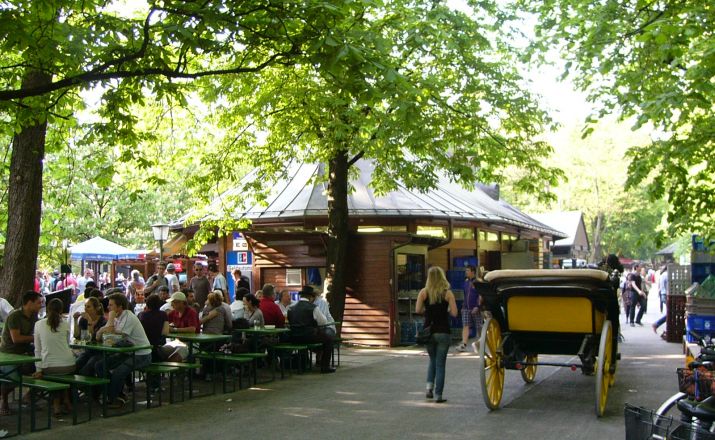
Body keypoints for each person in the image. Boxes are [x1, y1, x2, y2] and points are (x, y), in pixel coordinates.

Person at [95, 293, 152, 408]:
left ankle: (114, 398)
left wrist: (107, 322)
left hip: (141, 353)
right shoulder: (117, 318)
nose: (108, 308)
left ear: (119, 307)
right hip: (128, 352)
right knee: (100, 365)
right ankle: (116, 393)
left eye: (111, 305)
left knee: (118, 372)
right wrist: (103, 330)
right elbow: (100, 337)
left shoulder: (128, 317)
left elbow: (111, 334)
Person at [415, 267, 458, 403]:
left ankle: (429, 388)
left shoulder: (424, 292)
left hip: (429, 331)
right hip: (443, 331)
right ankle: (438, 395)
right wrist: (448, 309)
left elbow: (417, 310)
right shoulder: (448, 293)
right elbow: (455, 313)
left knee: (432, 360)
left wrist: (427, 311)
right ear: (442, 277)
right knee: (440, 364)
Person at [0, 291, 43, 415]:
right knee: (13, 379)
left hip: (26, 351)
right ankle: (4, 401)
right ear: (29, 303)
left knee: (46, 368)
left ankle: (29, 396)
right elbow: (16, 339)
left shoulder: (34, 316)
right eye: (38, 303)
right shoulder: (15, 316)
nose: (40, 305)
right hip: (9, 353)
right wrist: (35, 337)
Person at [33, 298, 76, 417]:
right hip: (69, 364)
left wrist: (38, 370)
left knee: (54, 375)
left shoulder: (38, 324)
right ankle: (66, 400)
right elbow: (67, 344)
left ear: (47, 309)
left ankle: (57, 405)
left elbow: (37, 349)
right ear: (62, 310)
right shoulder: (66, 324)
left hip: (49, 366)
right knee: (61, 375)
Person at [286, 286, 335, 374]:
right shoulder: (313, 307)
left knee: (305, 340)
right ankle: (325, 366)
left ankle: (303, 365)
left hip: (294, 337)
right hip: (309, 336)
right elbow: (323, 322)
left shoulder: (291, 308)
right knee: (329, 339)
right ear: (310, 297)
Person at [138, 294, 178, 361]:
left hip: (143, 349)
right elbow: (165, 333)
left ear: (147, 304)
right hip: (158, 350)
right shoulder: (163, 314)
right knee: (182, 348)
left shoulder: (141, 315)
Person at [74, 297, 107, 376]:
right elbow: (77, 336)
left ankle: (93, 388)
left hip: (100, 352)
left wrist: (89, 321)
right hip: (88, 351)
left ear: (96, 308)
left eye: (88, 307)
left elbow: (93, 337)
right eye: (85, 306)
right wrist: (75, 320)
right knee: (74, 367)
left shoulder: (103, 321)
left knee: (86, 369)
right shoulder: (83, 320)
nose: (85, 309)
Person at [457, 265, 481, 352]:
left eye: (468, 270)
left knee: (479, 327)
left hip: (475, 308)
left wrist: (478, 306)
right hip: (466, 308)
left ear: (473, 272)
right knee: (465, 325)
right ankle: (463, 344)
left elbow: (480, 296)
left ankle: (480, 343)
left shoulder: (478, 282)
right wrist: (463, 306)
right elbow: (465, 295)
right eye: (466, 270)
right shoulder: (466, 282)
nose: (466, 272)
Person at [653, 266, 669, 336]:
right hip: (666, 294)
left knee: (669, 313)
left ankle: (658, 325)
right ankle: (657, 324)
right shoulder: (667, 275)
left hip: (662, 294)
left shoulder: (662, 275)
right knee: (669, 313)